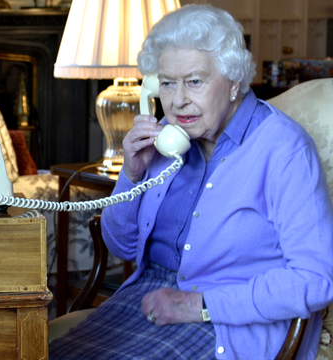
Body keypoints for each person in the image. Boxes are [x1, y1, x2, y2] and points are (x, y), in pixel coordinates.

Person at [49, 4, 333, 360]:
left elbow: (316, 278)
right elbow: (120, 246)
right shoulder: (169, 139)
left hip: (228, 321)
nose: (179, 100)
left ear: (233, 82)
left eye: (195, 81)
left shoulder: (283, 149)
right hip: (147, 301)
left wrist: (199, 304)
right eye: (167, 83)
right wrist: (131, 173)